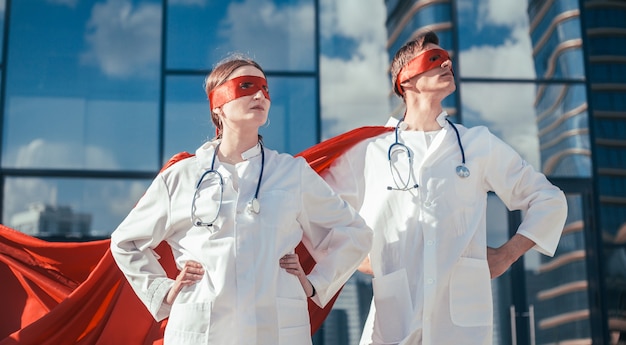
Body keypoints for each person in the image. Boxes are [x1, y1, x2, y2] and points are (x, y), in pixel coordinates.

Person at [320, 31, 569, 345]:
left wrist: (507, 255)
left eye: (447, 58)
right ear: (405, 80)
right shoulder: (370, 150)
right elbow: (316, 213)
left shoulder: (477, 144)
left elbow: (548, 198)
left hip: (461, 329)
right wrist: (355, 258)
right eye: (434, 59)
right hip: (393, 326)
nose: (447, 63)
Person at [109, 54, 373, 345]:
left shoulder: (291, 173)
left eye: (265, 89)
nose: (260, 94)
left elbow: (354, 233)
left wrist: (315, 284)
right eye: (246, 86)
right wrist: (162, 291)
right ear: (217, 105)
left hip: (277, 331)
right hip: (202, 331)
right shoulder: (182, 177)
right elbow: (126, 241)